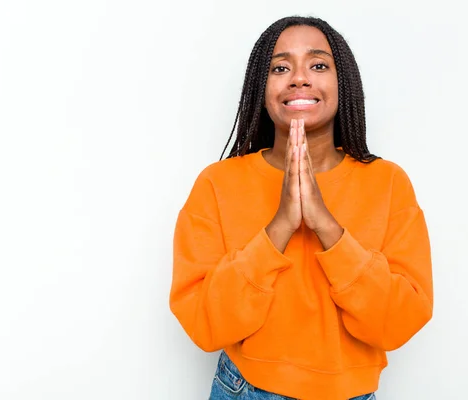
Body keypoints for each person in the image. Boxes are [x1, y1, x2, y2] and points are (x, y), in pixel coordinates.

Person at [170, 16, 433, 400]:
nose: (299, 78)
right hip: (245, 389)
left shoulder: (388, 183)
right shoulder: (217, 183)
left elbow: (399, 322)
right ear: (261, 88)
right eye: (280, 67)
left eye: (318, 65)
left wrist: (326, 226)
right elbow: (203, 325)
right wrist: (280, 226)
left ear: (343, 84)